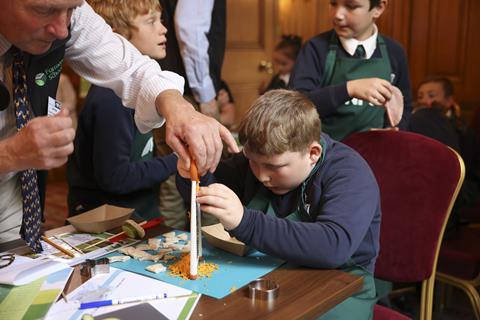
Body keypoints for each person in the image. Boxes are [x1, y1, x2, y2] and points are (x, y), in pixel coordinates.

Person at [0, 0, 238, 250]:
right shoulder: (106, 104)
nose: (62, 30)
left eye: (71, 10)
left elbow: (131, 67)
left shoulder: (68, 15)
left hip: (16, 206)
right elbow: (114, 176)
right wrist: (11, 153)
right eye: (44, 10)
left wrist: (180, 108)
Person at [177, 89, 381, 319]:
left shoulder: (349, 174)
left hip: (340, 288)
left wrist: (245, 222)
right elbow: (203, 188)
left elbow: (333, 246)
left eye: (274, 167)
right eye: (254, 162)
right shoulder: (256, 160)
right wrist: (193, 174)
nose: (262, 176)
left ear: (313, 153)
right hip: (269, 274)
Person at [67, 0, 178, 220]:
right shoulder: (110, 99)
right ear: (116, 36)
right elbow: (115, 177)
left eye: (160, 19)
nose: (164, 28)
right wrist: (176, 160)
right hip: (106, 221)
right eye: (151, 21)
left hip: (136, 212)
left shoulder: (144, 89)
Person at [290, 0, 412, 141]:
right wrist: (349, 89)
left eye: (351, 6)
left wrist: (394, 130)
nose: (338, 15)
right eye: (333, 3)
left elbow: (405, 105)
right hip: (324, 153)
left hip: (374, 152)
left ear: (378, 8)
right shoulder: (316, 48)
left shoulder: (394, 52)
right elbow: (295, 107)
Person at [155, 0, 227, 229]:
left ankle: (183, 239)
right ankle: (198, 244)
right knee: (197, 168)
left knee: (182, 169)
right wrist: (205, 94)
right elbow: (190, 29)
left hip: (172, 87)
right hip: (187, 92)